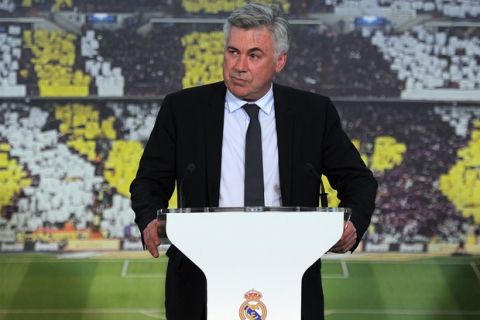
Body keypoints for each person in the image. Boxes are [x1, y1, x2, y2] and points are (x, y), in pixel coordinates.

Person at [130, 3, 377, 320]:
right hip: (200, 282)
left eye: (254, 55)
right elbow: (149, 181)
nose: (239, 65)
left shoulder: (313, 114)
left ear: (280, 61)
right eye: (233, 52)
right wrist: (149, 218)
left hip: (289, 279)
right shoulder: (182, 110)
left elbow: (359, 180)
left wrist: (353, 223)